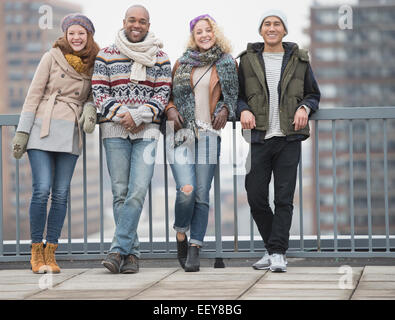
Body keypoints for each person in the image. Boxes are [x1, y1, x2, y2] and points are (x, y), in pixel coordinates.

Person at [11, 14, 100, 274]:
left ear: (89, 36)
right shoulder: (51, 57)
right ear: (65, 34)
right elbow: (33, 95)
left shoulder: (95, 62)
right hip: (42, 128)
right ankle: (36, 251)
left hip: (70, 131)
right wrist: (22, 132)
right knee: (42, 189)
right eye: (72, 33)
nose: (76, 37)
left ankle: (51, 252)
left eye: (81, 33)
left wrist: (91, 108)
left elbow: (95, 94)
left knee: (61, 193)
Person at [237, 9, 320, 272]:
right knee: (255, 195)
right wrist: (243, 110)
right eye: (267, 24)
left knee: (284, 198)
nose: (271, 28)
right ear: (261, 30)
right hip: (259, 137)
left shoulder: (300, 59)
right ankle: (274, 248)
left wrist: (304, 108)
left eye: (277, 24)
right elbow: (236, 96)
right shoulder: (247, 60)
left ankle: (277, 253)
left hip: (289, 139)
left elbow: (313, 94)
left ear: (284, 30)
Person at [92, 5, 172, 274]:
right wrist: (122, 115)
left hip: (146, 132)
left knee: (137, 190)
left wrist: (138, 117)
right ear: (124, 22)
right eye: (132, 20)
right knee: (120, 192)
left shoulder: (160, 58)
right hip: (114, 131)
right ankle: (132, 255)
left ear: (149, 25)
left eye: (142, 22)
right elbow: (99, 92)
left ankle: (117, 250)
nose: (136, 25)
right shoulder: (106, 54)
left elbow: (161, 95)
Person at [163, 14, 238, 272]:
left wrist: (226, 110)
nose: (204, 35)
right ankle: (181, 234)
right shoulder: (181, 64)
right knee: (187, 189)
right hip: (181, 134)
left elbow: (232, 97)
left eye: (208, 30)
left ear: (215, 33)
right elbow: (167, 95)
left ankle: (194, 247)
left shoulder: (227, 63)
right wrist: (171, 110)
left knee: (202, 194)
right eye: (199, 32)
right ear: (193, 37)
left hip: (208, 134)